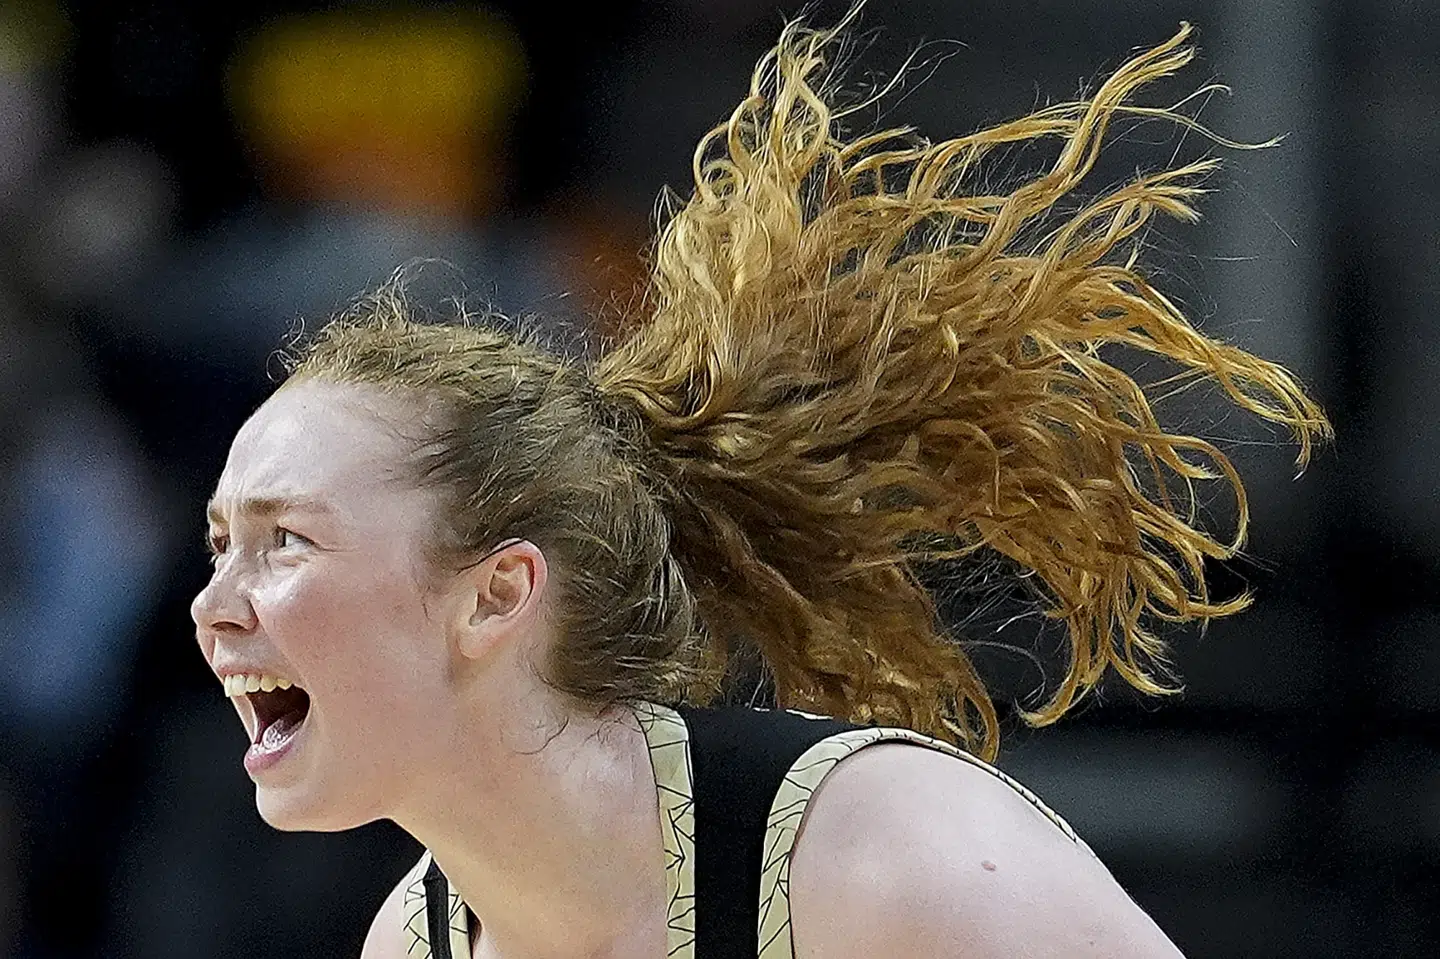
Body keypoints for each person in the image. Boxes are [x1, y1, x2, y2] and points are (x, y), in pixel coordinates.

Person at [191, 12, 1332, 959]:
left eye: (284, 540)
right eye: (218, 542)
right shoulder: (413, 939)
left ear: (495, 594)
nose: (213, 602)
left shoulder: (886, 859)